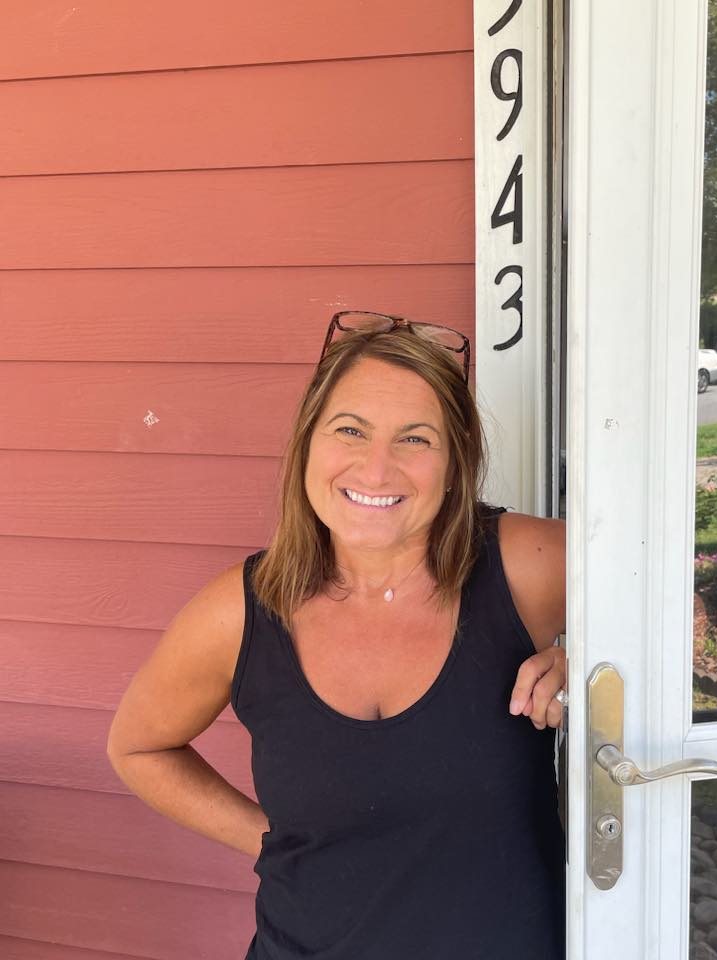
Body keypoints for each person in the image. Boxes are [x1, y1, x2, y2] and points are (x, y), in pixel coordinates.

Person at [107, 311, 567, 959]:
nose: (375, 470)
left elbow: (679, 611)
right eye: (350, 430)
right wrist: (272, 840)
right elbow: (137, 748)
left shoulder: (525, 567)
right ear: (308, 441)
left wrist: (594, 659)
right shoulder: (240, 612)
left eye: (415, 439)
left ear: (455, 460)